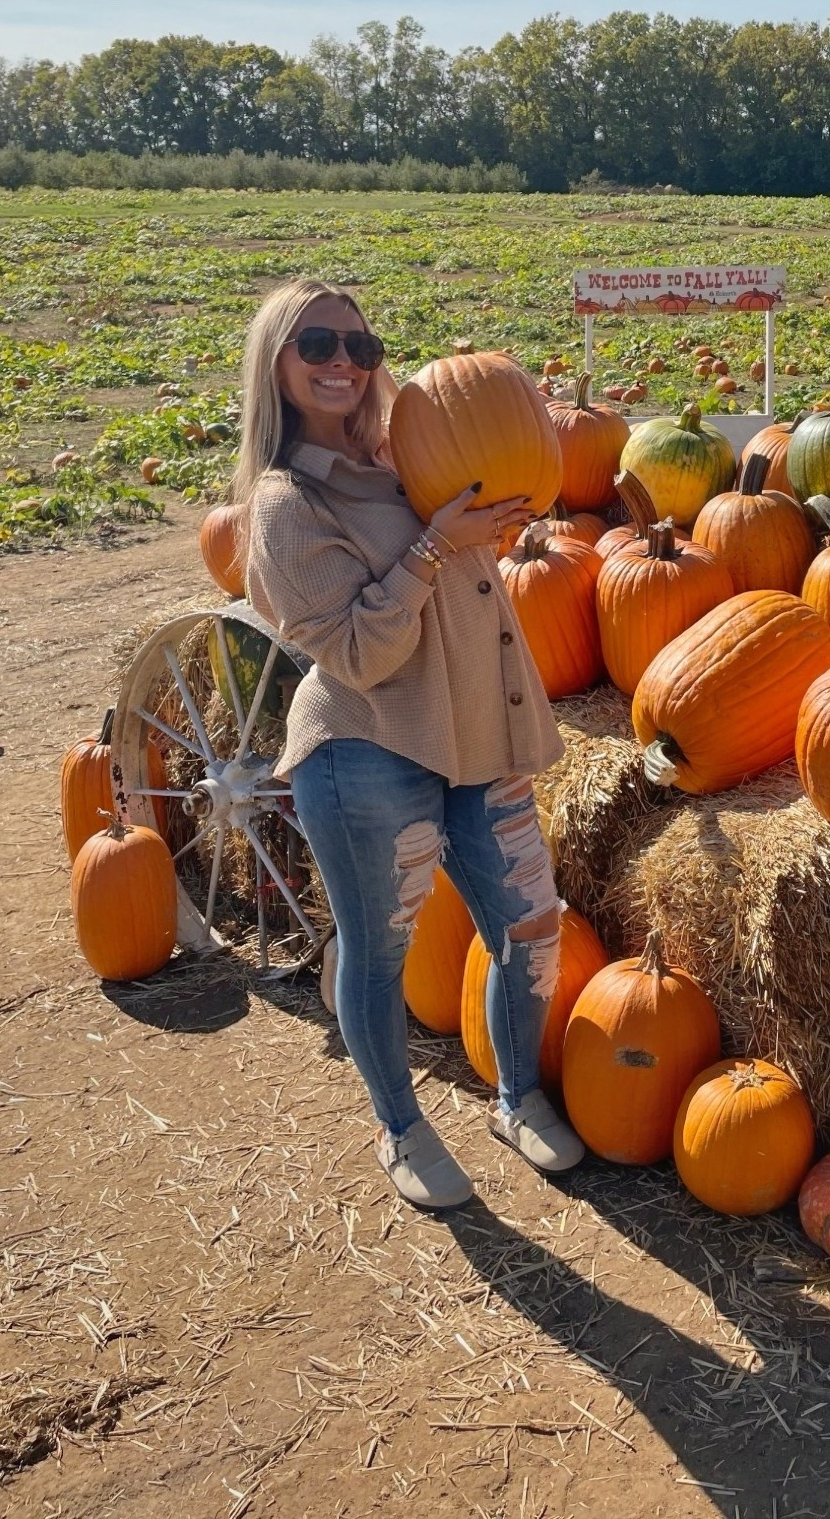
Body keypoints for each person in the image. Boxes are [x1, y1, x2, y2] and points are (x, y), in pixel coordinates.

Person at [233, 277, 583, 1210]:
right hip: (370, 749)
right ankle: (401, 1125)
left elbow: (472, 574)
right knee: (378, 953)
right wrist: (433, 546)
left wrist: (496, 525)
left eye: (360, 341)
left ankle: (517, 1097)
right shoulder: (285, 503)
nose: (345, 358)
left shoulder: (412, 453)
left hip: (482, 733)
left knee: (530, 926)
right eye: (317, 344)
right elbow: (357, 652)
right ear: (279, 363)